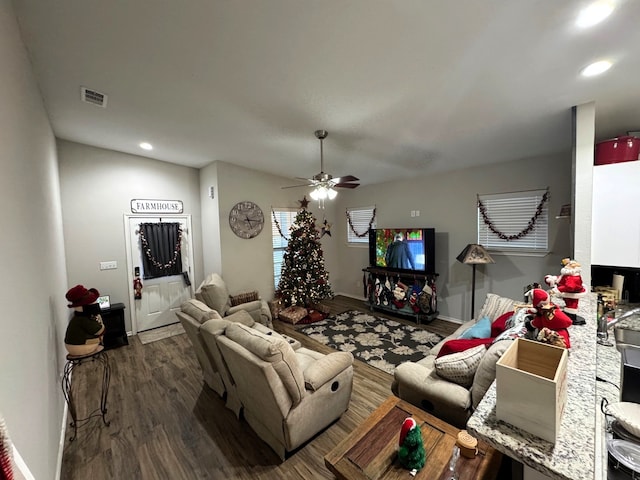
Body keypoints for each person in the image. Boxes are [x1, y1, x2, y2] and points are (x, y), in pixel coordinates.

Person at [64, 285, 106, 356]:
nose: (95, 305)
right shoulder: (83, 319)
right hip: (78, 346)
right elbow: (99, 330)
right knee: (100, 338)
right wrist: (99, 319)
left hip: (73, 344)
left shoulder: (79, 317)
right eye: (93, 303)